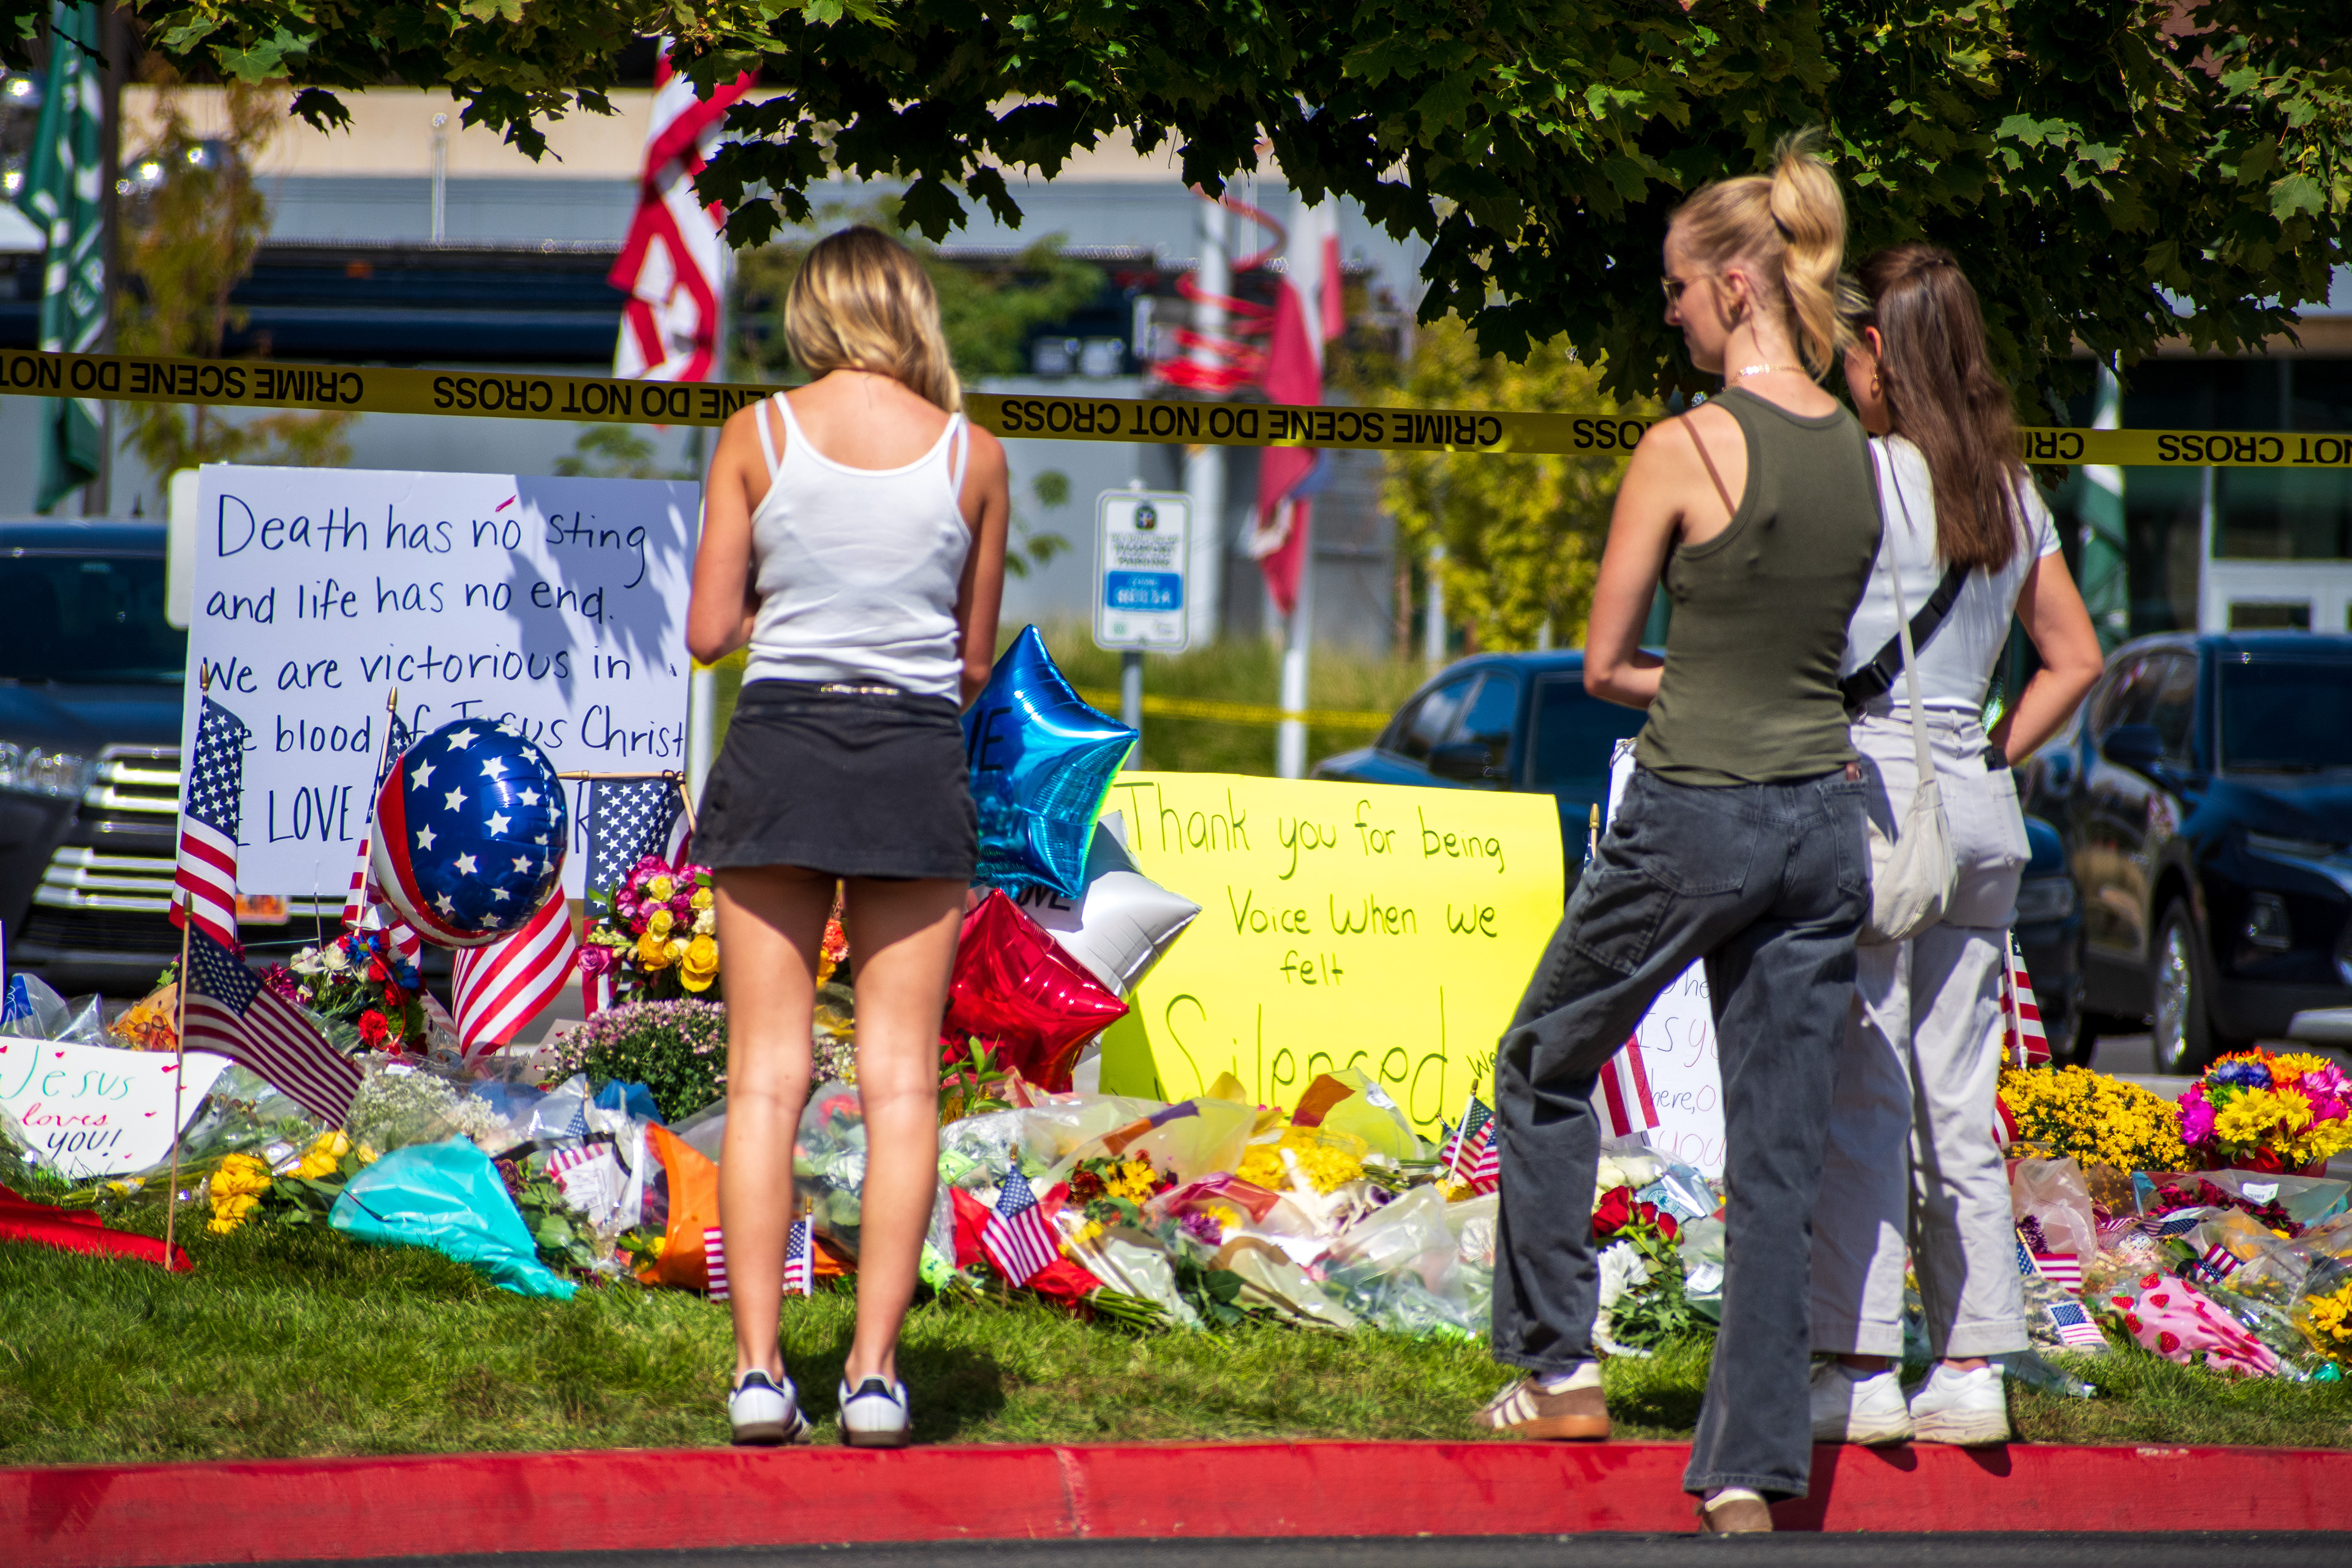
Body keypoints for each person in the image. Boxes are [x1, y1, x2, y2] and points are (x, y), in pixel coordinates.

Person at [1477, 133, 1880, 1535]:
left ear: (1731, 284)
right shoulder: (1857, 451)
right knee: (1776, 1159)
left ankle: (1557, 1367)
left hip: (1696, 812)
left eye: (1672, 289)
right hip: (1826, 829)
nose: (1667, 312)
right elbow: (1825, 658)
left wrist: (1692, 678)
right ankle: (1753, 1471)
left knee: (1541, 1061)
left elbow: (1602, 667)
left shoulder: (1684, 443)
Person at [684, 225, 1010, 1449]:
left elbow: (711, 628)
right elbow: (972, 661)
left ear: (815, 313)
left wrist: (792, 595)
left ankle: (762, 1371)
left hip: (781, 752)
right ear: (915, 309)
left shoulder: (756, 436)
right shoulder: (977, 456)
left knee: (766, 1076)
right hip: (912, 763)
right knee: (901, 1081)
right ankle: (876, 1374)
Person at [1807, 245, 2102, 1445]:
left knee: (1867, 1096)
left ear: (1881, 347)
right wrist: (1989, 752)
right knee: (1959, 1094)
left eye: (1848, 341)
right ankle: (1974, 1365)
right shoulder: (2005, 483)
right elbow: (2074, 656)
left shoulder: (1856, 477)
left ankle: (1863, 1368)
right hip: (1982, 815)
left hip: (1876, 808)